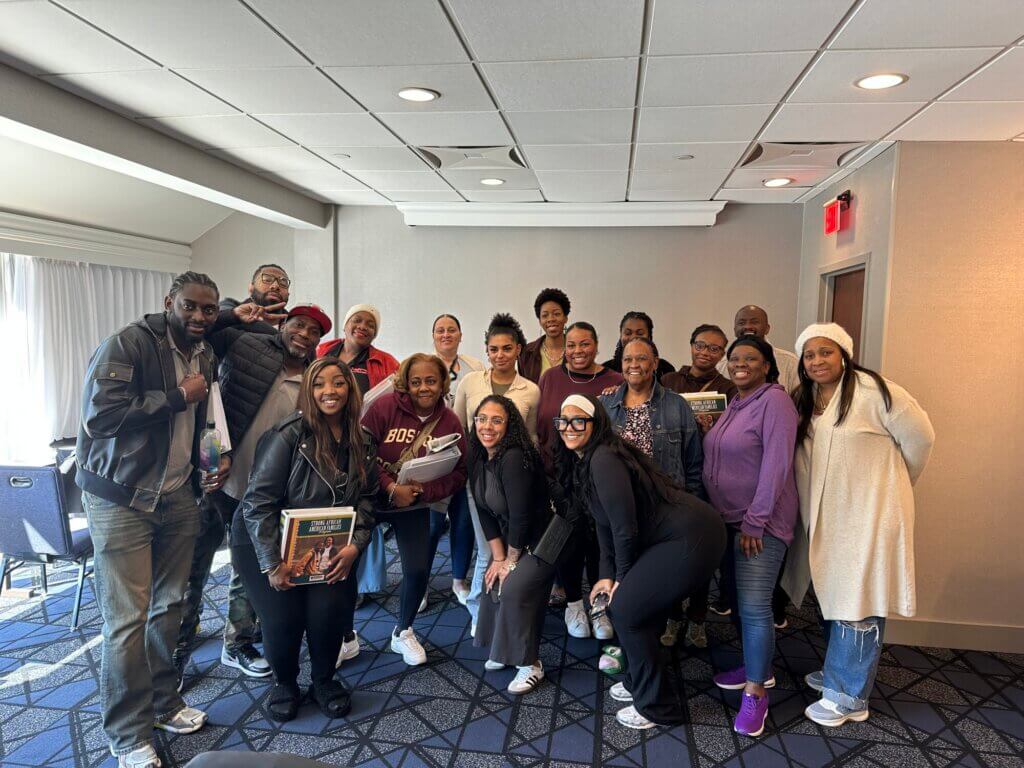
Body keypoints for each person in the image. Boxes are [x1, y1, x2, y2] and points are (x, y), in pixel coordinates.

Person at [76, 272, 250, 768]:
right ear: (169, 302)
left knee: (170, 605)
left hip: (178, 494)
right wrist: (177, 396)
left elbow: (203, 418)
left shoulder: (204, 353)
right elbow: (100, 419)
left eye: (208, 309)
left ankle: (163, 703)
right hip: (122, 500)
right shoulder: (127, 345)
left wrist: (210, 463)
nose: (200, 316)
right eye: (191, 306)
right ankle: (127, 734)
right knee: (126, 621)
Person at [784, 323, 934, 727]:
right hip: (825, 515)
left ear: (844, 354)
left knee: (858, 597)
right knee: (830, 589)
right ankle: (842, 667)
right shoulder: (805, 398)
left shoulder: (878, 392)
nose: (816, 361)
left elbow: (921, 439)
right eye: (809, 355)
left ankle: (849, 696)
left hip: (868, 513)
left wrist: (893, 487)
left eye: (825, 352)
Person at [175, 304, 332, 686]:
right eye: (299, 325)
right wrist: (211, 461)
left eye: (314, 332)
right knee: (191, 568)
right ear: (285, 323)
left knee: (249, 570)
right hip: (218, 479)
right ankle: (176, 653)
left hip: (266, 494)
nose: (304, 335)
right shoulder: (246, 345)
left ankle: (238, 642)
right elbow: (203, 350)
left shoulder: (315, 376)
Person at [554, 394, 725, 730]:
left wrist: (622, 579)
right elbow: (603, 524)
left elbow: (624, 528)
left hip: (693, 537)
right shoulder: (587, 458)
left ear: (596, 423)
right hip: (676, 536)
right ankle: (638, 683)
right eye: (563, 420)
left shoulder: (603, 458)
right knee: (634, 609)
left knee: (628, 610)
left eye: (579, 420)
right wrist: (606, 576)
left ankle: (658, 709)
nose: (569, 428)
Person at [232, 358, 378, 722]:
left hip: (328, 544)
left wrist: (356, 545)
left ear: (350, 389)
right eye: (319, 384)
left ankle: (324, 681)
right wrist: (271, 562)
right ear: (309, 392)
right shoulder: (288, 436)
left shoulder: (364, 440)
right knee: (283, 618)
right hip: (263, 540)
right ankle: (284, 683)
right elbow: (257, 503)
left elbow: (368, 500)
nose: (330, 391)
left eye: (338, 383)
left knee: (328, 612)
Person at [702, 336, 799, 738]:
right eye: (735, 359)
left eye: (750, 359)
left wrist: (755, 521)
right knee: (742, 606)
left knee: (756, 607)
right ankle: (755, 665)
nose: (740, 364)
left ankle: (756, 692)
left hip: (757, 525)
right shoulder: (737, 403)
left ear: (766, 365)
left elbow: (777, 465)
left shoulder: (775, 401)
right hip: (730, 522)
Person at [599, 336, 708, 649]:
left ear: (655, 363)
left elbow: (693, 462)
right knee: (633, 572)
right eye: (628, 359)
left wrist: (692, 504)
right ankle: (644, 629)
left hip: (666, 504)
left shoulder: (676, 405)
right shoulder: (606, 405)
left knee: (669, 569)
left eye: (642, 358)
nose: (635, 365)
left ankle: (680, 619)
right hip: (624, 507)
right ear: (620, 365)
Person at [361, 353, 468, 666]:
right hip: (372, 497)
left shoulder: (449, 420)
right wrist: (391, 488)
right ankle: (344, 636)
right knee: (347, 568)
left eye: (431, 381)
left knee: (418, 569)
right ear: (405, 383)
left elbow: (460, 472)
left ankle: (403, 631)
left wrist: (424, 491)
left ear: (442, 384)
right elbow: (361, 454)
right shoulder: (383, 408)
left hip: (413, 504)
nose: (424, 387)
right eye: (416, 381)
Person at [452, 313, 540, 628]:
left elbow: (529, 436)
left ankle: (504, 610)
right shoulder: (470, 382)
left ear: (518, 350)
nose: (500, 354)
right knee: (487, 545)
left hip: (515, 476)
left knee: (512, 542)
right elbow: (460, 427)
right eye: (493, 349)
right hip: (479, 473)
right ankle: (479, 611)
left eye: (506, 348)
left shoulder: (530, 389)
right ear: (486, 350)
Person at [536, 322, 622, 639]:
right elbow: (540, 429)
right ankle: (574, 604)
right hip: (557, 473)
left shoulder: (615, 381)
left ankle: (599, 605)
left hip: (600, 476)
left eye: (584, 344)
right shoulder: (549, 378)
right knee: (567, 543)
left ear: (597, 345)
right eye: (570, 345)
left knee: (600, 546)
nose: (576, 351)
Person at [469, 395, 557, 695]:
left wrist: (511, 560)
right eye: (482, 419)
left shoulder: (514, 457)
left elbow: (520, 515)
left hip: (544, 539)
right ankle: (503, 650)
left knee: (516, 585)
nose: (487, 426)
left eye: (496, 420)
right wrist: (497, 556)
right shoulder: (479, 455)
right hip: (515, 537)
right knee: (492, 578)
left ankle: (530, 664)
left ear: (510, 426)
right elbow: (483, 510)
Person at [316, 304, 399, 602]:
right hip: (320, 439)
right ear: (346, 323)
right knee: (325, 504)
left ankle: (360, 583)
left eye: (370, 324)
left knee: (360, 506)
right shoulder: (321, 351)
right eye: (357, 320)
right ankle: (320, 569)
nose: (363, 326)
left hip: (360, 442)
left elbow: (397, 400)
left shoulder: (385, 361)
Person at [661, 323, 739, 627]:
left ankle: (697, 617)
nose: (705, 352)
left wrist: (712, 429)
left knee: (701, 548)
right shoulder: (668, 380)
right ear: (691, 344)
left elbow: (734, 435)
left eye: (714, 348)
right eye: (701, 345)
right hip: (669, 474)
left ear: (723, 352)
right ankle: (671, 615)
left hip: (708, 477)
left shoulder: (730, 388)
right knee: (669, 547)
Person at [426, 314, 485, 609]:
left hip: (466, 455)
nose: (446, 334)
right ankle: (420, 581)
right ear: (433, 336)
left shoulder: (475, 368)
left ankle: (459, 579)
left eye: (451, 330)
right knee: (431, 523)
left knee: (463, 520)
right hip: (431, 458)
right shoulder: (421, 365)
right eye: (440, 330)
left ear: (461, 335)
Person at [717, 305, 800, 395]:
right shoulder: (721, 365)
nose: (747, 326)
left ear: (767, 328)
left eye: (754, 322)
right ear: (734, 330)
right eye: (741, 323)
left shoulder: (791, 362)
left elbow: (801, 402)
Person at [602, 311, 675, 380]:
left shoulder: (665, 369)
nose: (633, 337)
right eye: (628, 333)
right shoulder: (606, 370)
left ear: (649, 337)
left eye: (640, 334)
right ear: (621, 336)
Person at [518, 287, 570, 384]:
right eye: (545, 315)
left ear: (565, 318)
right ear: (539, 321)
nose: (551, 319)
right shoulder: (527, 353)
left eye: (557, 314)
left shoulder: (576, 350)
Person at [220, 263, 291, 328]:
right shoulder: (229, 308)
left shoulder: (294, 324)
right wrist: (233, 315)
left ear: (288, 294)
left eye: (283, 283)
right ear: (251, 288)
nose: (275, 286)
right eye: (267, 279)